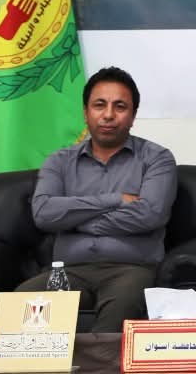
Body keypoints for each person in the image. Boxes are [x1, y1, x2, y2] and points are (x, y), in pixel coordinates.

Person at [18, 66, 176, 332]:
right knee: (22, 302)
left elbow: (150, 214)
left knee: (119, 311)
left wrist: (73, 221)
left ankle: (99, 362)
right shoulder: (59, 161)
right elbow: (44, 213)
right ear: (85, 112)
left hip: (130, 269)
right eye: (99, 105)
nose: (109, 115)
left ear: (133, 115)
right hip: (67, 270)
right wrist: (115, 200)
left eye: (120, 106)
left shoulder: (156, 158)